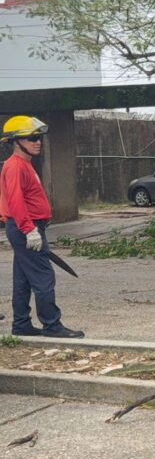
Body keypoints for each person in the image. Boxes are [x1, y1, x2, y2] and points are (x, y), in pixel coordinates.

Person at [0, 116, 84, 338]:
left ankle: (21, 325)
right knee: (43, 277)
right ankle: (52, 325)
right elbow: (15, 201)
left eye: (39, 137)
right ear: (15, 141)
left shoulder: (24, 164)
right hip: (26, 228)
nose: (38, 142)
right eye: (31, 138)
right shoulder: (16, 167)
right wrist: (29, 229)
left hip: (24, 227)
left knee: (23, 278)